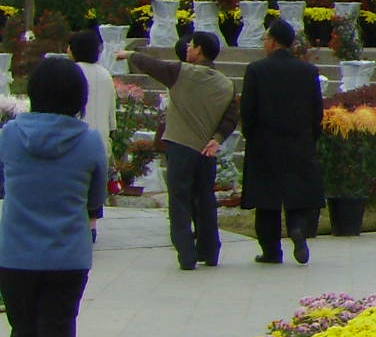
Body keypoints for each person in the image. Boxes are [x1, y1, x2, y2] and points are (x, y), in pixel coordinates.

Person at [0, 57, 108, 337]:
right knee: (57, 334)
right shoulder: (89, 139)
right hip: (67, 255)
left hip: (14, 255)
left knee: (23, 329)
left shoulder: (10, 135)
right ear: (79, 97)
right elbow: (96, 196)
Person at [130, 32, 240, 271]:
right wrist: (217, 138)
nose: (187, 48)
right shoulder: (226, 84)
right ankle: (210, 251)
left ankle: (186, 254)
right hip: (206, 150)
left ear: (199, 50)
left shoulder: (183, 73)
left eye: (190, 45)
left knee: (179, 200)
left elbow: (154, 66)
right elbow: (231, 117)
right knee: (205, 199)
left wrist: (130, 54)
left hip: (181, 145)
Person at [240, 15, 325, 265]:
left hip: (265, 143)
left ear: (274, 42)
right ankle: (298, 228)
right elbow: (316, 110)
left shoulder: (256, 70)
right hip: (299, 141)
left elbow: (249, 110)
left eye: (265, 38)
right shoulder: (308, 71)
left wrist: (251, 134)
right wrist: (310, 136)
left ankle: (271, 251)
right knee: (298, 192)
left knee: (267, 200)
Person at [67, 29, 115, 238]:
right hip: (101, 137)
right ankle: (92, 225)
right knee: (94, 183)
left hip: (76, 138)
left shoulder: (71, 72)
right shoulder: (105, 74)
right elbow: (111, 110)